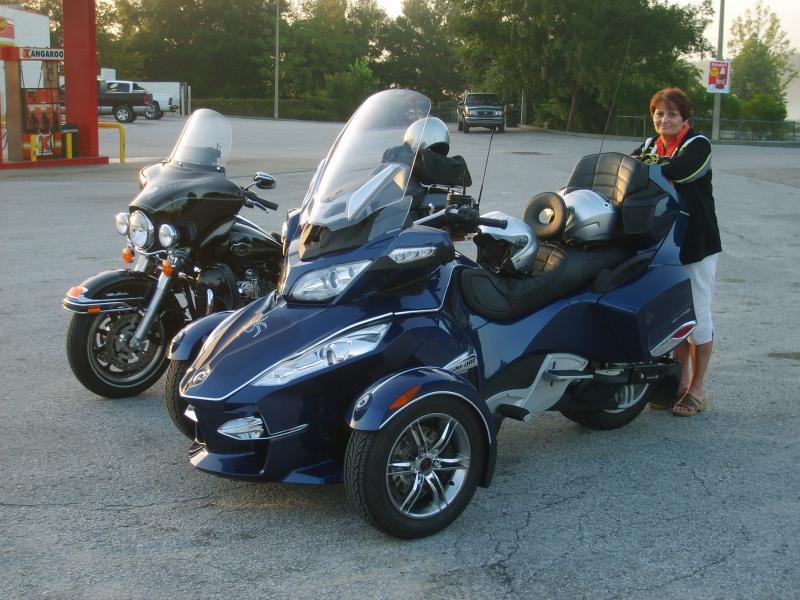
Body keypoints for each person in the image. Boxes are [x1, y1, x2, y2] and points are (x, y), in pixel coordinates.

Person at [633, 87, 722, 416]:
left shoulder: (698, 145)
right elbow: (624, 169)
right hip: (664, 245)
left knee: (697, 318)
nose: (664, 119)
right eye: (658, 113)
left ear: (684, 118)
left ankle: (698, 389)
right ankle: (680, 384)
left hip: (697, 244)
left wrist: (644, 167)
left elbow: (678, 171)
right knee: (672, 319)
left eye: (671, 114)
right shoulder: (649, 145)